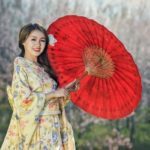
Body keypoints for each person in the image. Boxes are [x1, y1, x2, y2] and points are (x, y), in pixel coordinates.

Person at [1, 23, 77, 150]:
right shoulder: (21, 64)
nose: (38, 44)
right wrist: (53, 94)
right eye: (33, 39)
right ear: (23, 41)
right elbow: (22, 100)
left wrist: (67, 90)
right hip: (37, 127)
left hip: (54, 126)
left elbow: (56, 101)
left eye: (42, 41)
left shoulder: (44, 68)